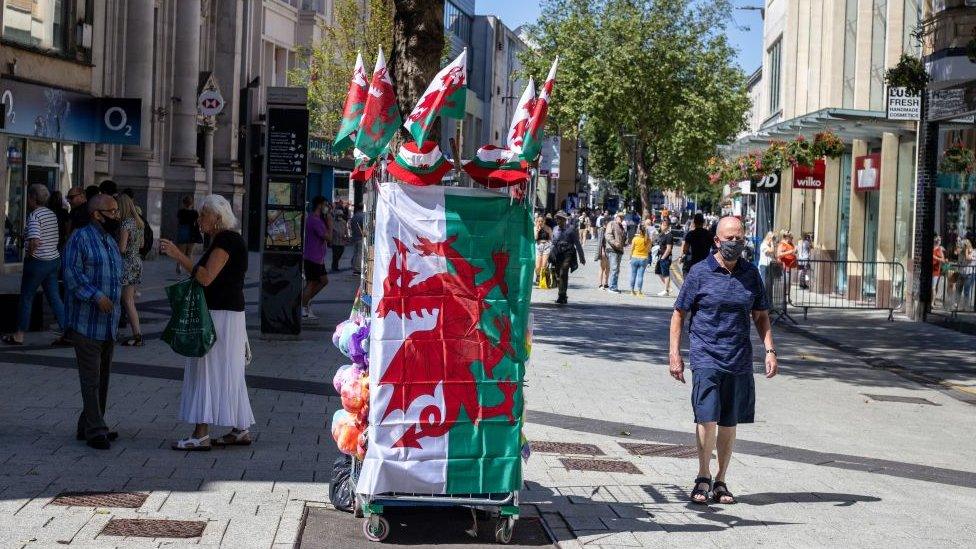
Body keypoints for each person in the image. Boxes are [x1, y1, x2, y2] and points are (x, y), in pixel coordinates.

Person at [669, 216, 777, 506]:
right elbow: (679, 313)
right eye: (729, 238)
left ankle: (720, 479)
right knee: (707, 416)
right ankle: (702, 476)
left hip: (739, 358)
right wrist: (675, 353)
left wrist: (769, 350)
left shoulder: (751, 273)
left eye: (739, 238)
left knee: (729, 421)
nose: (735, 242)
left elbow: (761, 315)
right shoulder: (700, 273)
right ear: (717, 241)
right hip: (705, 355)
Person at [159, 194, 255, 451]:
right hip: (228, 312)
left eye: (204, 214)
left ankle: (201, 433)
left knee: (206, 368)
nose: (199, 219)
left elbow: (205, 277)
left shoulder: (225, 240)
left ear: (217, 218)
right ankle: (240, 428)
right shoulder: (226, 240)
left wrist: (179, 256)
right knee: (229, 369)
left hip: (219, 314)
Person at [63, 194, 123, 449]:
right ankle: (96, 430)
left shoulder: (109, 240)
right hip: (86, 322)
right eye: (112, 211)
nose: (117, 216)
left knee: (103, 377)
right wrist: (96, 296)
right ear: (97, 214)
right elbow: (71, 273)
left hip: (108, 323)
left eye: (118, 211)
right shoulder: (80, 237)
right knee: (91, 378)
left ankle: (87, 425)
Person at [3, 185, 68, 347]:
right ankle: (68, 331)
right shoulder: (51, 214)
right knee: (54, 297)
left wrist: (30, 254)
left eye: (29, 197)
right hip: (53, 260)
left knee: (26, 297)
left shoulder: (34, 216)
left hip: (38, 262)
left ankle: (19, 335)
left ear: (32, 198)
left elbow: (35, 240)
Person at [116, 193, 144, 347]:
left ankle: (137, 335)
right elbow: (141, 245)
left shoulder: (125, 224)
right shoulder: (138, 222)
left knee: (127, 300)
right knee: (128, 300)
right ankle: (137, 334)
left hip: (126, 263)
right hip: (136, 262)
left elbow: (121, 247)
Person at [302, 196, 332, 319]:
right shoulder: (314, 220)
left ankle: (305, 300)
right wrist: (330, 224)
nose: (327, 207)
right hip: (312, 256)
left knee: (323, 281)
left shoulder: (317, 219)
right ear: (319, 205)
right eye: (325, 204)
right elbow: (328, 238)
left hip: (317, 257)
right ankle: (303, 306)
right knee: (312, 282)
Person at [550, 211, 586, 305]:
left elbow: (577, 243)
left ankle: (562, 295)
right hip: (557, 253)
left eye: (560, 219)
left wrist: (582, 257)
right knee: (558, 275)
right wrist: (549, 255)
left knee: (563, 273)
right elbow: (552, 243)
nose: (558, 221)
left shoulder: (571, 230)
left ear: (564, 220)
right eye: (557, 218)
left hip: (568, 253)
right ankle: (562, 294)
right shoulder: (554, 229)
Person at [175, 196, 203, 274]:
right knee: (190, 253)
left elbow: (179, 221)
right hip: (192, 232)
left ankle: (178, 266)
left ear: (183, 203)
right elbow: (197, 223)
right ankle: (189, 269)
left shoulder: (180, 212)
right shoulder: (195, 212)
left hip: (183, 231)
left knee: (181, 252)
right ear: (192, 203)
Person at [604, 212, 626, 293]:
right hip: (612, 249)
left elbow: (622, 239)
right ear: (616, 217)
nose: (621, 219)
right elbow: (608, 235)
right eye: (620, 217)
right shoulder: (611, 223)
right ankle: (612, 287)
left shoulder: (621, 227)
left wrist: (624, 242)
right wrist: (615, 243)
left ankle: (614, 286)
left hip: (619, 250)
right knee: (614, 268)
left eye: (623, 217)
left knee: (616, 269)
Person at [628, 224, 651, 296]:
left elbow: (631, 249)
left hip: (634, 257)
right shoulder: (648, 239)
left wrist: (630, 258)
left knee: (633, 274)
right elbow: (649, 250)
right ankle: (639, 291)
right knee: (640, 276)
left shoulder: (635, 239)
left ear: (639, 230)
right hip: (644, 258)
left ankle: (632, 291)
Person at [654, 218, 675, 296]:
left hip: (665, 257)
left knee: (665, 273)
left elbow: (669, 248)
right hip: (660, 256)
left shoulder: (669, 236)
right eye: (662, 225)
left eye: (664, 225)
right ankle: (668, 287)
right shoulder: (662, 234)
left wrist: (663, 257)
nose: (662, 226)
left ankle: (666, 290)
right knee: (658, 272)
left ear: (668, 226)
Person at [330, 200, 350, 272]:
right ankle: (334, 266)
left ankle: (335, 265)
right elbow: (331, 231)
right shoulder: (333, 222)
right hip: (335, 241)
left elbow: (346, 230)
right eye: (338, 215)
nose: (339, 216)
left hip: (342, 241)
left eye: (340, 215)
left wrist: (347, 237)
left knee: (340, 253)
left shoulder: (344, 222)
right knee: (335, 255)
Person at [534, 215, 553, 286]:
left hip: (546, 246)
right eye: (539, 221)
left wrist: (549, 244)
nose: (540, 222)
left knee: (544, 264)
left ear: (544, 221)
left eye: (542, 221)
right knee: (537, 266)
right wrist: (537, 231)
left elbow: (551, 238)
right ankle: (538, 276)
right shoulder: (535, 228)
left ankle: (542, 279)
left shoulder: (548, 228)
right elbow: (535, 238)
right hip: (538, 246)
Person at [349, 203, 365, 275]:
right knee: (359, 253)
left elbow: (351, 226)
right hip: (360, 236)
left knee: (355, 252)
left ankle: (354, 266)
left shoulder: (354, 216)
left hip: (354, 236)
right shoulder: (362, 216)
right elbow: (364, 226)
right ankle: (357, 269)